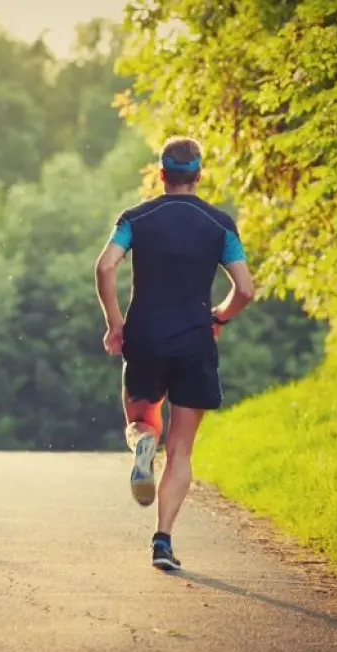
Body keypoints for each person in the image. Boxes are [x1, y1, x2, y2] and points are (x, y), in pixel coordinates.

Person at [94, 136, 254, 571]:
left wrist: (114, 324)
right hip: (194, 342)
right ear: (198, 176)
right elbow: (245, 289)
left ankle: (143, 444)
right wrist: (218, 317)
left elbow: (105, 266)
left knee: (142, 421)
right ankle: (162, 541)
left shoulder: (135, 219)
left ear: (161, 174)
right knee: (181, 450)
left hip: (144, 337)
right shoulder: (220, 225)